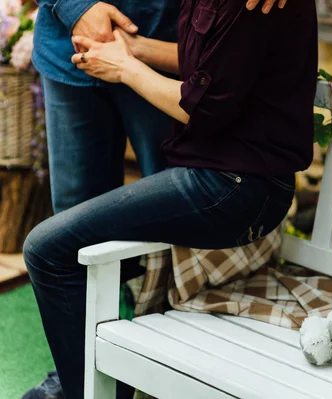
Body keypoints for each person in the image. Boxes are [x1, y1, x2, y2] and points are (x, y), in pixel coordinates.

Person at [23, 0, 317, 397]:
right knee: (74, 240)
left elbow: (204, 106)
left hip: (233, 176)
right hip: (110, 60)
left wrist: (128, 65)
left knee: (62, 246)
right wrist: (128, 45)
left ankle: (119, 376)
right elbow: (210, 69)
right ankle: (94, 378)